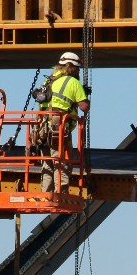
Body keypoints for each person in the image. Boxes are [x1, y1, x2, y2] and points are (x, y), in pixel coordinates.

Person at [38, 51, 90, 193]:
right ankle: (61, 192)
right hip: (60, 129)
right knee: (62, 161)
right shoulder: (73, 83)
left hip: (42, 128)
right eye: (78, 68)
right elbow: (84, 107)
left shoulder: (49, 80)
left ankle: (45, 192)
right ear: (72, 67)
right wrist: (84, 96)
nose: (78, 71)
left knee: (48, 161)